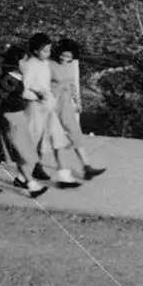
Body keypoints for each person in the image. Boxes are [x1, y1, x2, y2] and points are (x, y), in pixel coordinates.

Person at [0, 44, 48, 196]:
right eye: (25, 61)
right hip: (11, 119)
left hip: (11, 118)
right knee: (19, 151)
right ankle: (31, 184)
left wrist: (36, 94)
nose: (27, 64)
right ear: (16, 63)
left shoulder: (14, 77)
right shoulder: (9, 80)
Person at [22, 33, 81, 188]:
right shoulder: (30, 65)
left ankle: (64, 177)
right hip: (35, 108)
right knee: (33, 142)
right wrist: (37, 95)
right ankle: (22, 176)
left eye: (49, 50)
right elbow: (23, 90)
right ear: (35, 51)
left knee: (58, 139)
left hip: (49, 107)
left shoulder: (46, 63)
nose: (48, 53)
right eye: (45, 51)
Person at [49, 39, 105, 181]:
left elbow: (72, 84)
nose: (65, 59)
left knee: (75, 134)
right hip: (54, 103)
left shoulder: (71, 65)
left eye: (69, 56)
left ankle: (87, 167)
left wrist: (78, 101)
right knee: (55, 138)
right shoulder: (50, 65)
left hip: (67, 103)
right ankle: (53, 169)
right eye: (63, 55)